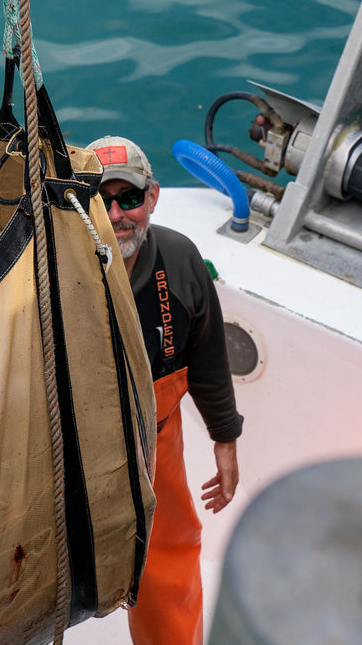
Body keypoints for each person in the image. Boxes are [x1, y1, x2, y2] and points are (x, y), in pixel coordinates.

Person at [85, 135, 243, 645]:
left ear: (152, 197)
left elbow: (208, 356)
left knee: (169, 550)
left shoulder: (179, 260)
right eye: (98, 200)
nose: (115, 214)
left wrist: (225, 440)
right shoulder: (53, 267)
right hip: (68, 440)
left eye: (128, 199)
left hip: (157, 440)